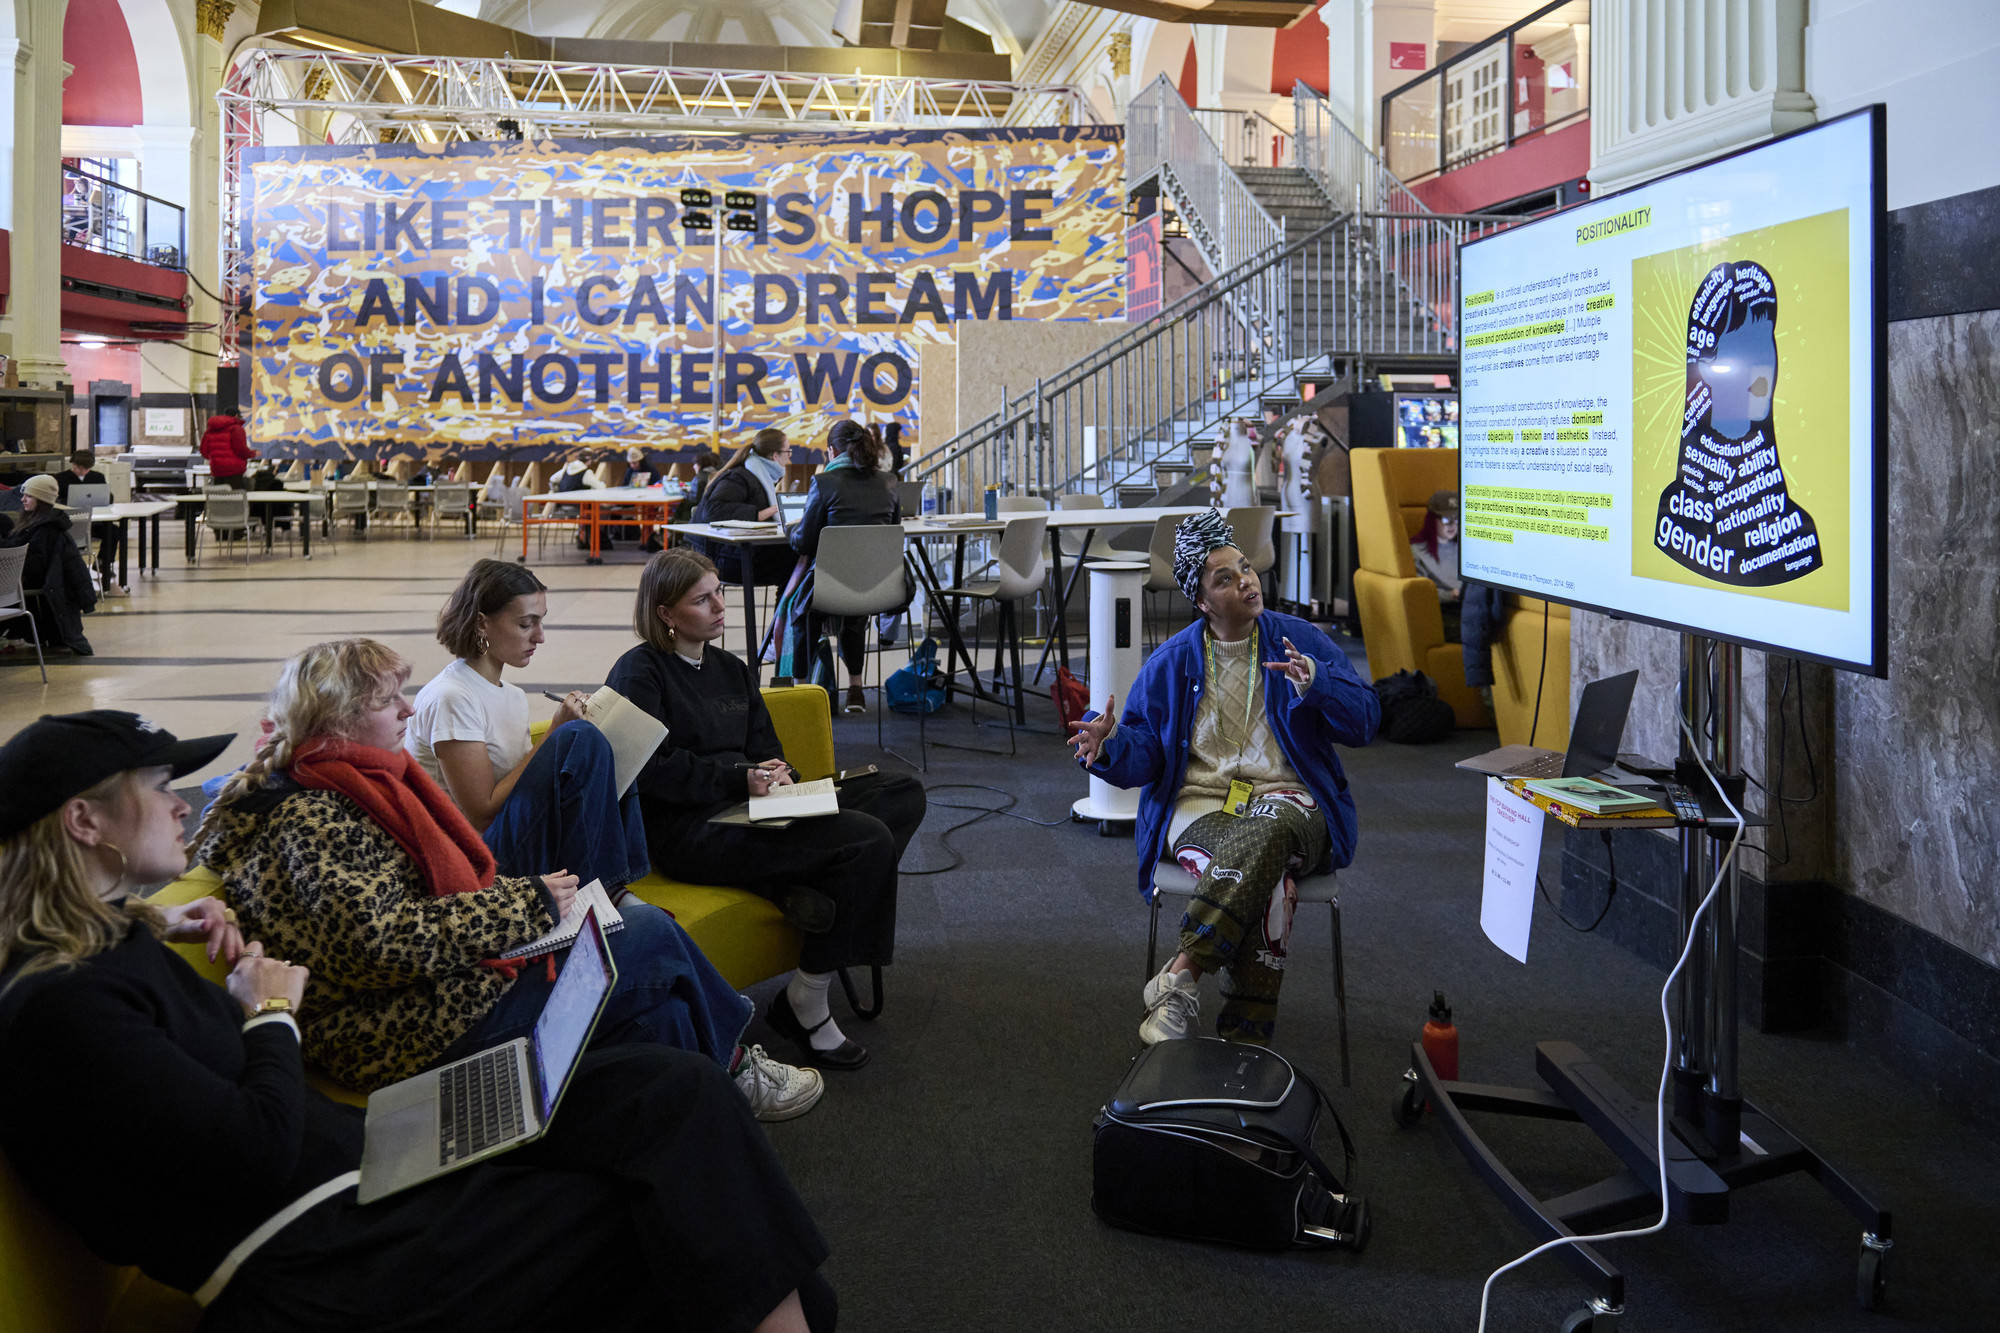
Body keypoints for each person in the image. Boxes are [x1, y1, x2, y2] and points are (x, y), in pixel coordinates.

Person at [0, 710, 836, 1333]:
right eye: (157, 786)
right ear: (84, 821)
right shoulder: (63, 1006)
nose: (181, 803)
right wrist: (272, 1012)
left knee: (674, 1091)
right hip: (335, 1257)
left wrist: (151, 921)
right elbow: (255, 1148)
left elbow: (145, 1059)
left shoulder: (93, 952)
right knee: (697, 1219)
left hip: (376, 1166)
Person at [195, 638, 823, 1121]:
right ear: (337, 720)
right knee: (648, 935)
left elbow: (424, 898)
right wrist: (527, 904)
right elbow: (384, 942)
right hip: (401, 1030)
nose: (408, 708)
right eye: (388, 701)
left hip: (439, 989)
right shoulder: (310, 816)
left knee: (665, 1014)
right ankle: (737, 1065)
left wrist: (527, 905)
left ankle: (701, 1113)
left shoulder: (346, 783)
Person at [1069, 509, 1379, 1048]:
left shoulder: (1298, 642)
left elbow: (1366, 721)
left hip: (1291, 801)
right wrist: (1110, 746)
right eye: (1225, 578)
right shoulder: (1171, 662)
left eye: (1245, 568)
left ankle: (1182, 973)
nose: (1246, 581)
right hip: (1201, 804)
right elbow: (1146, 754)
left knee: (1269, 828)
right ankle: (1244, 1043)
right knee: (1270, 887)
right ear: (1203, 601)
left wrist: (1318, 684)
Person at [607, 549, 926, 1071]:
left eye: (720, 592)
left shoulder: (731, 669)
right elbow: (648, 770)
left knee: (901, 793)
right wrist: (740, 778)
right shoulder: (640, 671)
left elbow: (765, 747)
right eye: (702, 599)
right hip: (692, 830)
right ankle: (807, 1000)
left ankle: (792, 884)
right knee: (866, 840)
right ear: (665, 613)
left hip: (754, 806)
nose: (720, 607)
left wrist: (782, 775)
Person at [406, 559, 650, 891]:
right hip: (474, 860)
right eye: (526, 624)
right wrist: (554, 734)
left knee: (604, 741)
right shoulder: (452, 697)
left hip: (510, 839)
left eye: (541, 621)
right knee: (579, 737)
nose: (540, 637)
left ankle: (613, 884)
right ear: (482, 624)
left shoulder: (513, 696)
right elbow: (482, 815)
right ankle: (606, 888)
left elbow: (524, 787)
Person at [780, 419, 903, 714]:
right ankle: (856, 690)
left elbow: (804, 543)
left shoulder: (824, 483)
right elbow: (893, 531)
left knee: (804, 610)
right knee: (855, 611)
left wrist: (790, 527)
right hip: (878, 586)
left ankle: (801, 689)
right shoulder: (889, 482)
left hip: (828, 587)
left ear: (832, 451)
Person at [0, 472, 95, 655]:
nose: (23, 500)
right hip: (26, 583)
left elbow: (33, 565)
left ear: (42, 500)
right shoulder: (42, 523)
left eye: (29, 496)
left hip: (29, 584)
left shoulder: (46, 529)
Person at [695, 428, 801, 588]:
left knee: (799, 556)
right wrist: (761, 514)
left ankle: (786, 604)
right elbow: (712, 510)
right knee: (797, 561)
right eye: (788, 451)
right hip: (722, 557)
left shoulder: (760, 476)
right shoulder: (739, 477)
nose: (789, 457)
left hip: (738, 553)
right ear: (775, 455)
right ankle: (785, 605)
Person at [54, 448, 124, 596]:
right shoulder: (60, 478)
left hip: (94, 521)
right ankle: (73, 567)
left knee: (114, 530)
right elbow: (56, 502)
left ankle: (103, 562)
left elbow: (108, 497)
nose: (83, 472)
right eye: (79, 468)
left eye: (86, 469)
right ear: (73, 464)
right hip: (72, 522)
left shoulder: (97, 477)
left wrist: (104, 497)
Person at [1412, 489, 1462, 640]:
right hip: (1443, 612)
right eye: (1446, 519)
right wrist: (1450, 595)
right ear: (1432, 520)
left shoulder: (1465, 548)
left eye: (1456, 518)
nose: (1452, 525)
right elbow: (1420, 594)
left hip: (1469, 608)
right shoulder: (1417, 551)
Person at [199, 411, 256, 490]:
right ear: (236, 416)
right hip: (235, 470)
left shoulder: (210, 430)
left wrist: (215, 459)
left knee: (219, 494)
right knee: (236, 495)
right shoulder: (237, 429)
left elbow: (203, 451)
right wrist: (252, 454)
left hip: (217, 470)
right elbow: (241, 450)